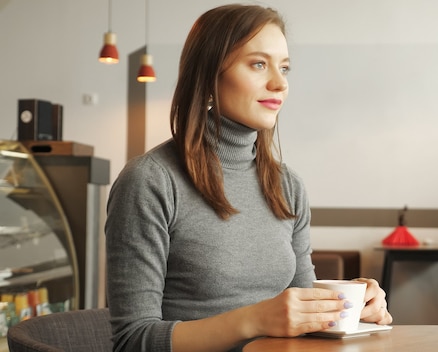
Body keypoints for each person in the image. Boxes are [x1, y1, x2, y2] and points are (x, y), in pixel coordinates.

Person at [105, 4, 393, 352]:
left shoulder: (288, 186)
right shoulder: (150, 181)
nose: (280, 83)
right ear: (210, 73)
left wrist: (352, 305)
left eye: (284, 68)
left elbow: (304, 309)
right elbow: (132, 341)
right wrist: (253, 320)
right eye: (259, 64)